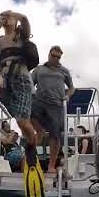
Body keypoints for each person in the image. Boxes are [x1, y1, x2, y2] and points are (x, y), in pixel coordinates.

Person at [0, 10, 38, 156]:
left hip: (21, 78)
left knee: (22, 122)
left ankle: (31, 146)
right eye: (3, 16)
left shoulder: (21, 36)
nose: (6, 18)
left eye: (9, 17)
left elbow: (25, 21)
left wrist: (16, 15)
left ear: (15, 20)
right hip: (4, 78)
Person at [31, 45, 75, 173]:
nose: (55, 58)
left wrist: (67, 95)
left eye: (58, 57)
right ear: (49, 54)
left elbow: (72, 88)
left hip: (57, 105)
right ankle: (39, 131)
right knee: (28, 115)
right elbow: (30, 83)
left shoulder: (64, 71)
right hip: (39, 101)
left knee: (55, 136)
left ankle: (51, 166)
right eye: (53, 56)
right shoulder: (39, 69)